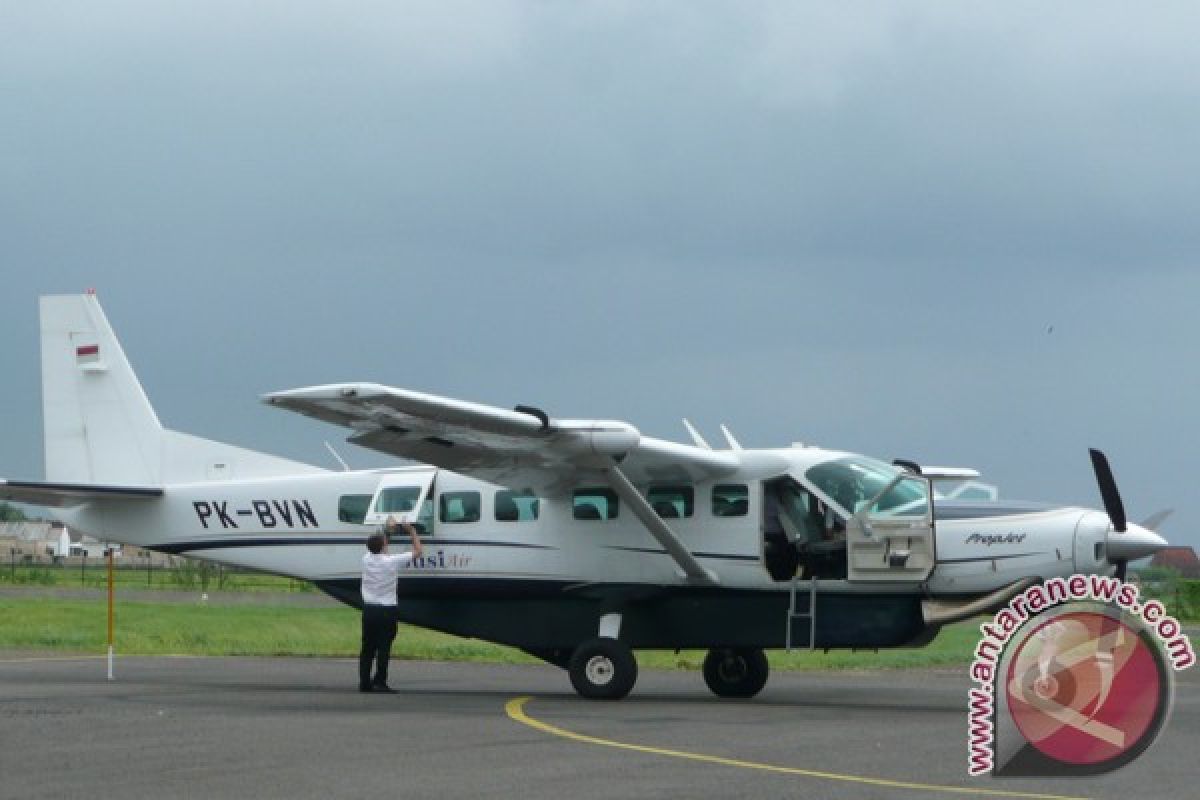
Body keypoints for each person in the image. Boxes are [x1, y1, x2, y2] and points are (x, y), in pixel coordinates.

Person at [359, 515, 423, 693]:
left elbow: (380, 546)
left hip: (369, 610)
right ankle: (380, 680)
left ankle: (364, 681)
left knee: (367, 647)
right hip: (387, 611)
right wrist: (412, 531)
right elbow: (418, 551)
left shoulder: (366, 560)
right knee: (384, 647)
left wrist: (388, 530)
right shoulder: (391, 562)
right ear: (384, 546)